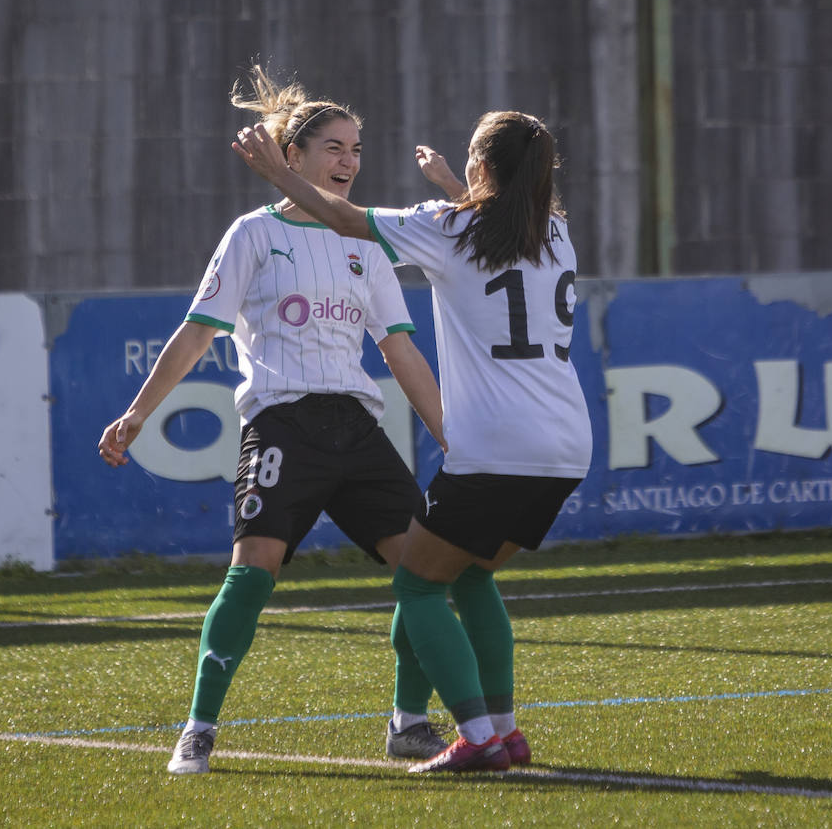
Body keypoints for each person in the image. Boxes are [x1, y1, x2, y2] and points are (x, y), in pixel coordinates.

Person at [99, 67, 451, 775]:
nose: (349, 161)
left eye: (356, 149)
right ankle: (198, 729)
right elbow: (197, 333)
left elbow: (401, 351)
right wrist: (138, 412)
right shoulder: (253, 235)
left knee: (424, 572)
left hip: (356, 427)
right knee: (252, 572)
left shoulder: (368, 240)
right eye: (334, 148)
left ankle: (409, 724)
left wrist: (453, 434)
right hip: (282, 425)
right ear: (292, 157)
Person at [232, 110, 593, 773]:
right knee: (474, 573)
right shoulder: (557, 234)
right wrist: (458, 182)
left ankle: (480, 737)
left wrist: (280, 173)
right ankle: (505, 731)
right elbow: (492, 221)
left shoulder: (447, 226)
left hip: (495, 447)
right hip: (566, 446)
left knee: (419, 588)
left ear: (483, 166)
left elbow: (346, 219)